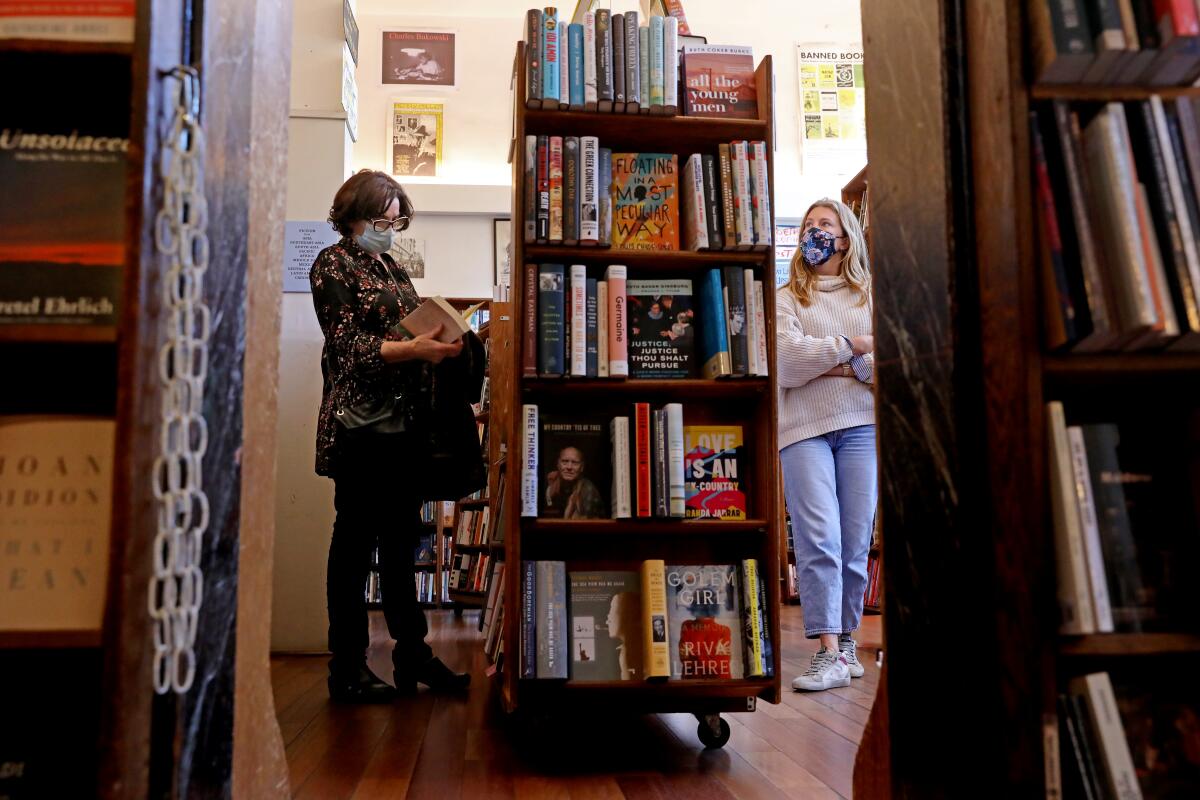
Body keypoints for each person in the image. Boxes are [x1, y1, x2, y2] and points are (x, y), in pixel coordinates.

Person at [310, 169, 471, 702]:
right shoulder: (331, 263)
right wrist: (413, 349)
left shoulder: (392, 266)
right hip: (359, 428)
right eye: (382, 219)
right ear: (352, 215)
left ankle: (413, 654)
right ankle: (347, 666)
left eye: (397, 220)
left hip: (404, 427)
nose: (390, 229)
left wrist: (444, 337)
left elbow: (408, 324)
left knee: (403, 542)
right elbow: (349, 348)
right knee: (354, 545)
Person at [776, 198, 875, 692]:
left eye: (824, 225)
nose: (813, 232)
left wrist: (830, 361)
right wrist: (855, 347)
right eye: (807, 225)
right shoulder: (786, 297)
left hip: (863, 428)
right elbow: (789, 363)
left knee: (855, 541)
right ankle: (828, 652)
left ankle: (850, 640)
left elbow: (891, 365)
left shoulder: (870, 295)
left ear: (845, 237)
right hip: (802, 430)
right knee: (818, 539)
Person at [543, 445, 605, 519]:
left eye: (575, 463)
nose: (569, 467)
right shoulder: (551, 483)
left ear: (581, 467)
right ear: (558, 464)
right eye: (564, 462)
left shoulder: (588, 489)